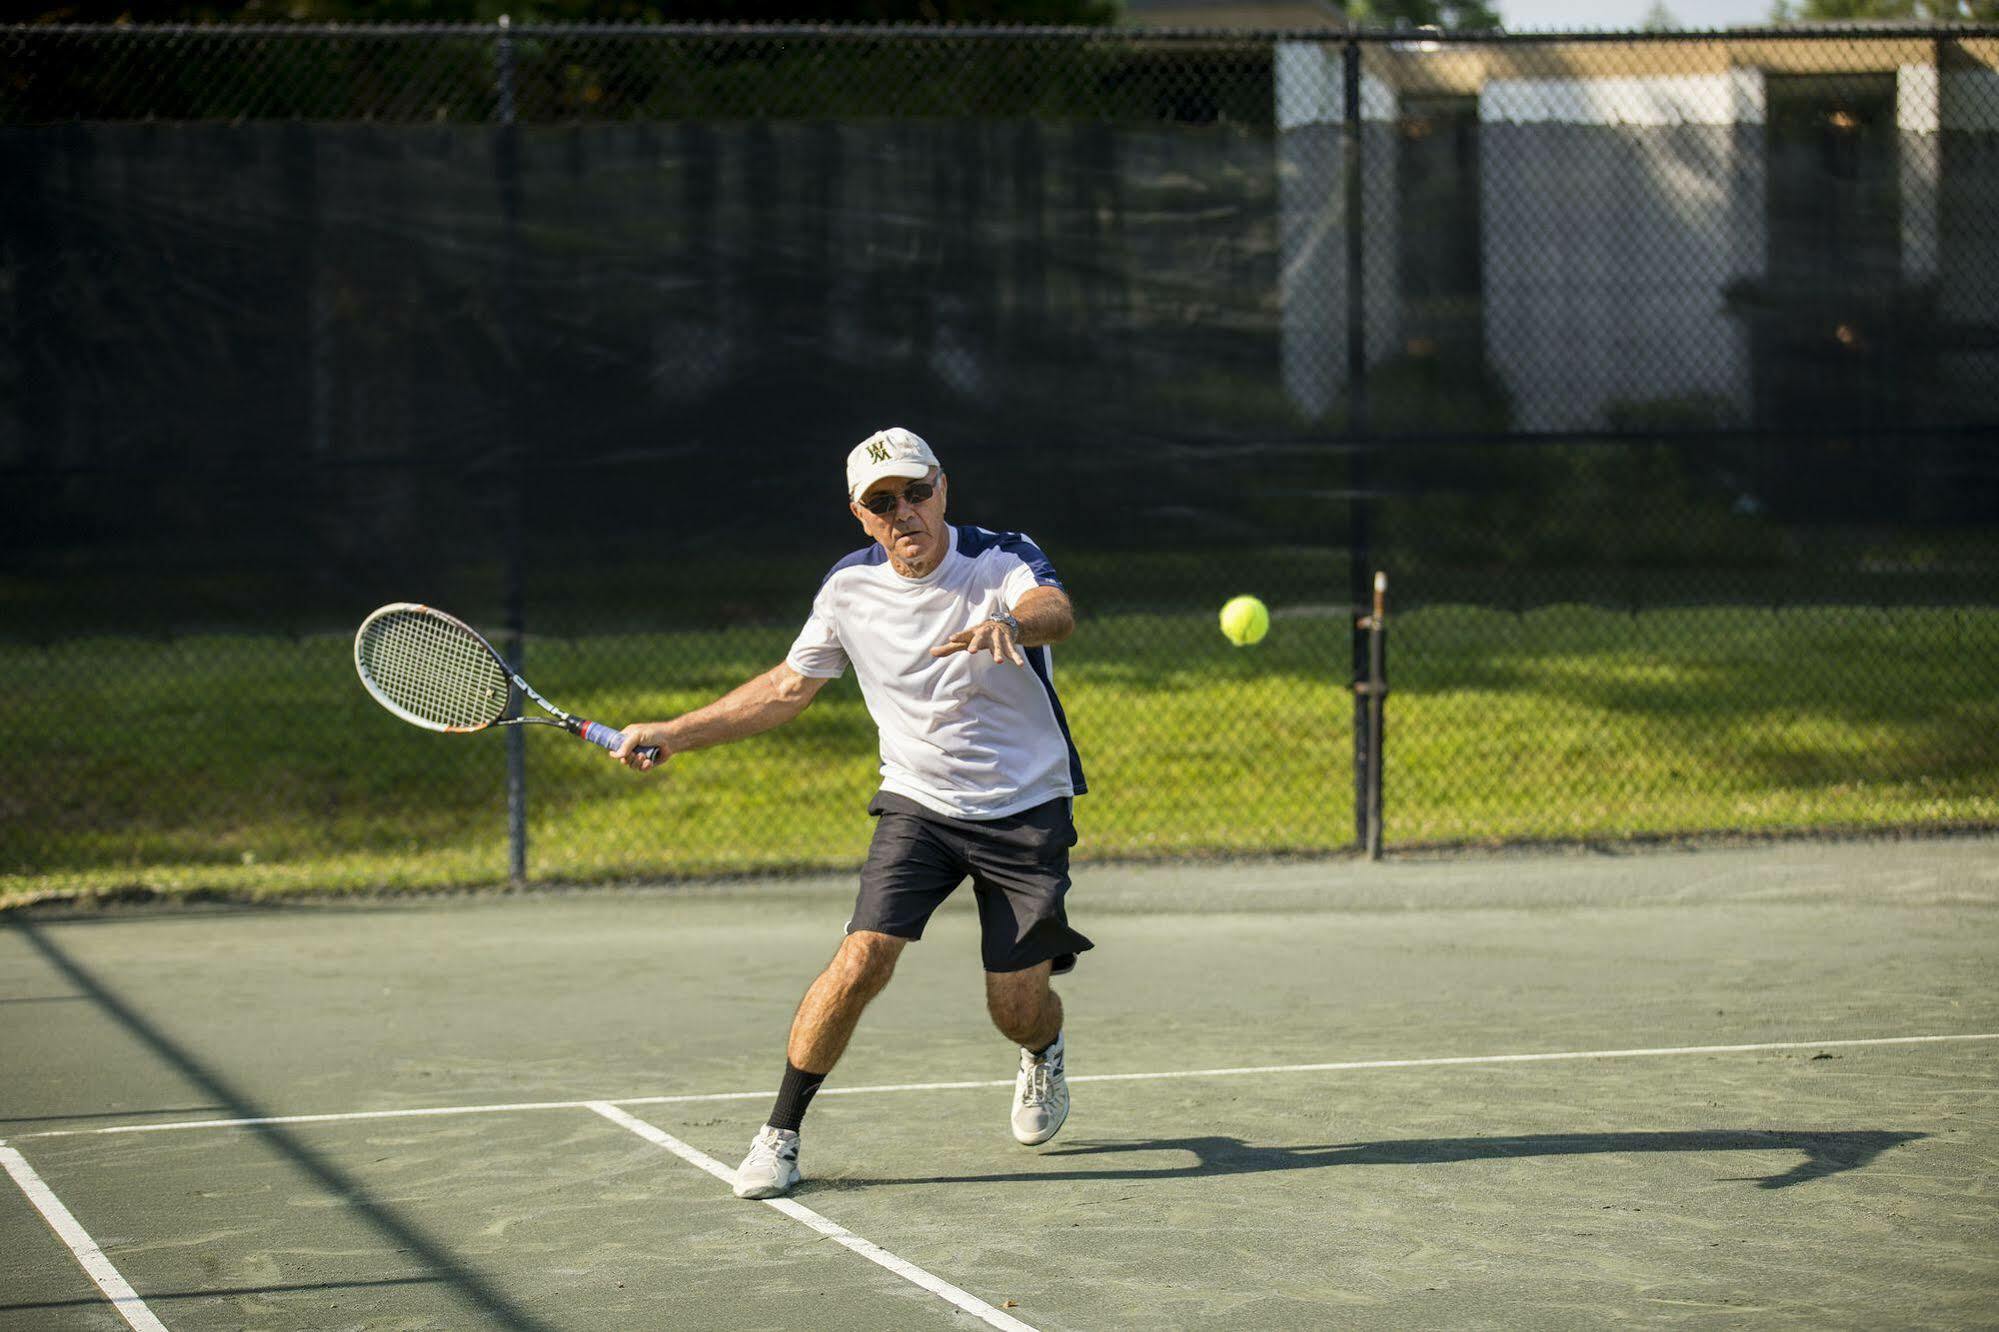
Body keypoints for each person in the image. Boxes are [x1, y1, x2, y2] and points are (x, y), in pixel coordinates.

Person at [610, 426, 1092, 1200]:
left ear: (943, 488)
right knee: (862, 957)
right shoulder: (847, 590)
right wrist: (673, 734)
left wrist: (1013, 623)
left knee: (1015, 1008)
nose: (904, 512)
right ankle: (780, 1134)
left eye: (915, 492)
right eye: (882, 502)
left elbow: (1055, 609)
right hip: (918, 806)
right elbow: (784, 689)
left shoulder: (999, 559)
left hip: (1023, 809)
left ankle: (1043, 1049)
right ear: (860, 516)